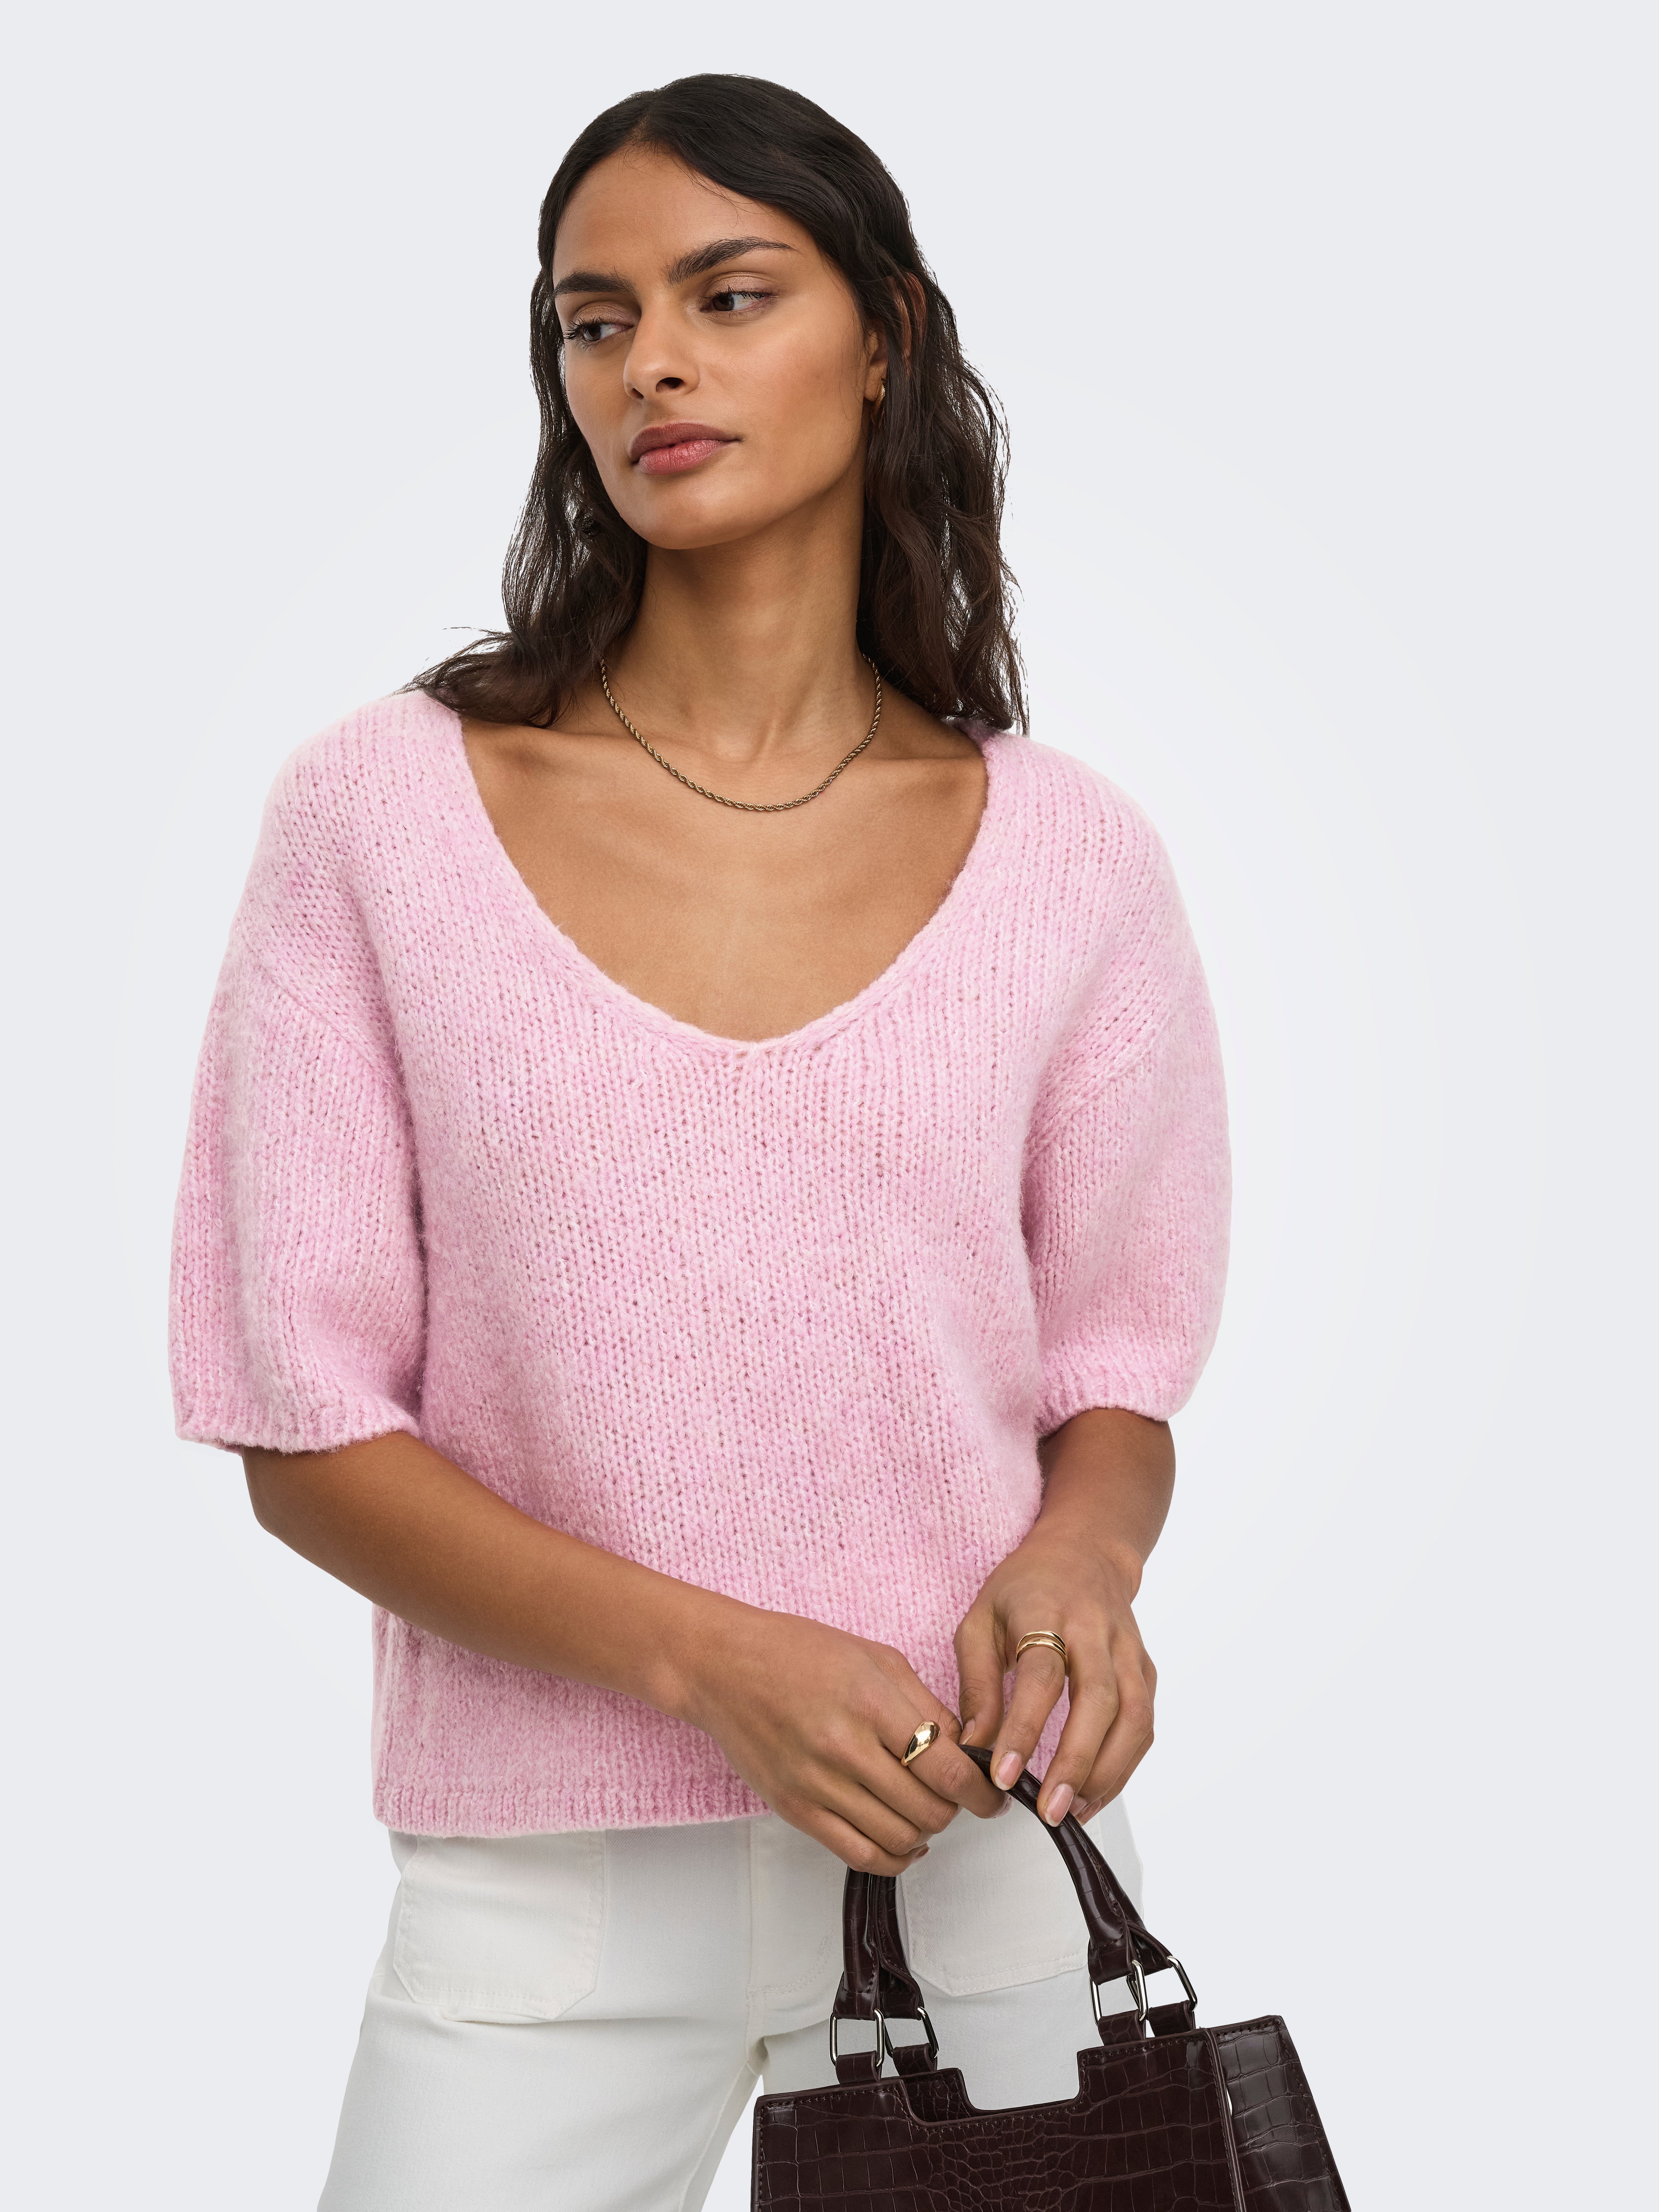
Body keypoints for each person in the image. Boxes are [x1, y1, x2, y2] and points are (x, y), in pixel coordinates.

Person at [169, 73, 1230, 2211]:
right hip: (548, 1902)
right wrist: (712, 1663)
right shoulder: (379, 816)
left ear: (886, 336)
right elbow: (303, 1425)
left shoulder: (1069, 859)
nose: (647, 361)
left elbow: (1112, 1375)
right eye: (594, 320)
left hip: (988, 1857)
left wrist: (1077, 1571)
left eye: (726, 295)